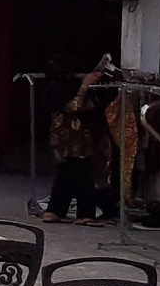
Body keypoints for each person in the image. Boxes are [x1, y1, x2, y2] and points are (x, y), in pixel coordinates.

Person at [46, 55, 115, 225]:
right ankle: (86, 214)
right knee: (81, 171)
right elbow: (75, 106)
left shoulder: (59, 83)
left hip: (66, 134)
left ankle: (55, 211)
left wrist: (98, 69)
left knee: (66, 172)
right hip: (73, 136)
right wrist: (85, 86)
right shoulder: (59, 87)